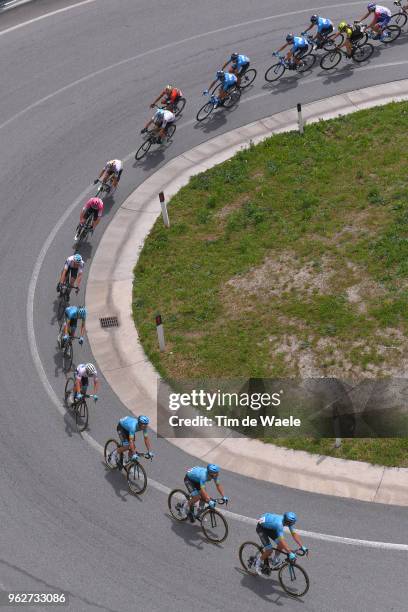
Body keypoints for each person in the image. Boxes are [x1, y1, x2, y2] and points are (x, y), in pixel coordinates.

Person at [254, 512, 308, 576]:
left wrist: (302, 546)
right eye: (292, 523)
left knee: (281, 545)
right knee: (269, 550)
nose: (293, 524)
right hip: (261, 528)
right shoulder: (279, 525)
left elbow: (294, 534)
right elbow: (282, 540)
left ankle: (275, 559)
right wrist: (289, 553)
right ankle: (257, 564)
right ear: (288, 522)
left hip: (270, 526)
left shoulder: (286, 521)